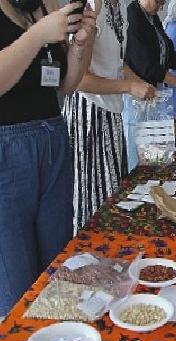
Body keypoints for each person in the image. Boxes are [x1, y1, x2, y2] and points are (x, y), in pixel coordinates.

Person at [0, 0, 96, 316]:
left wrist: (79, 46)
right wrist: (39, 34)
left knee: (56, 270)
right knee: (15, 281)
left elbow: (63, 86)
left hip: (53, 138)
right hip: (8, 148)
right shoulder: (37, 22)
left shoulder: (41, 8)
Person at [63, 0, 157, 233]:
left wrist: (137, 82)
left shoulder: (120, 7)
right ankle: (88, 260)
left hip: (110, 115)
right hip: (88, 117)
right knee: (92, 202)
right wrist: (128, 87)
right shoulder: (92, 7)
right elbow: (80, 81)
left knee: (110, 194)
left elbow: (117, 63)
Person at [125, 0, 176, 92]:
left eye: (162, 3)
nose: (160, 8)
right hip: (140, 89)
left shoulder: (153, 17)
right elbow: (144, 64)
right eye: (157, 2)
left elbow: (166, 51)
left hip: (154, 86)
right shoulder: (133, 16)